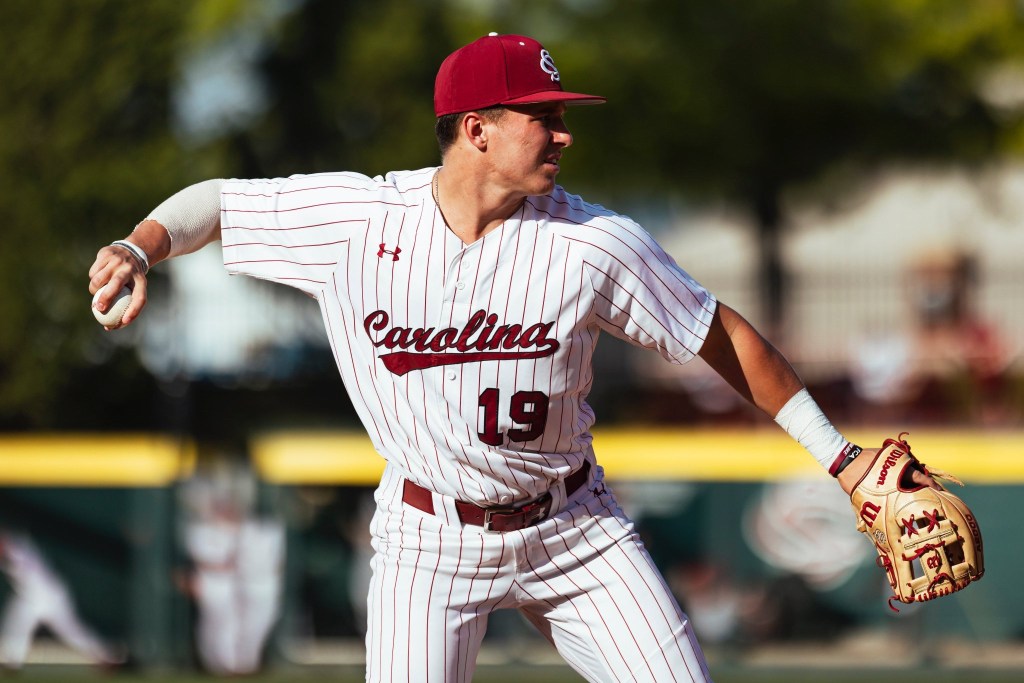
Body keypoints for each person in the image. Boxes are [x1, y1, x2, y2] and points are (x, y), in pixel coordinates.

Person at [88, 33, 940, 683]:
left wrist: (842, 455)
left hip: (576, 529)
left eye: (561, 114)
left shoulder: (595, 243)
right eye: (545, 115)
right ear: (478, 130)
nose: (563, 134)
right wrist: (139, 245)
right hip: (429, 535)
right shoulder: (359, 220)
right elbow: (218, 205)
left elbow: (721, 336)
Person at [0, 528, 123, 671]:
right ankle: (12, 661)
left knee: (73, 632)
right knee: (17, 622)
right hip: (32, 597)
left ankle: (108, 657)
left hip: (49, 595)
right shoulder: (17, 546)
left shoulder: (19, 550)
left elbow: (5, 548)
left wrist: (5, 544)